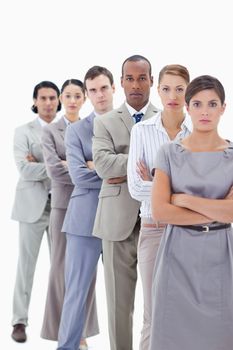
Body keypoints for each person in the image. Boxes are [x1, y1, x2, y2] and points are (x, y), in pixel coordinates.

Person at [149, 75, 233, 350]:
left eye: (212, 104)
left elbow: (231, 212)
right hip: (178, 255)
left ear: (223, 108)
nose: (205, 111)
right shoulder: (169, 153)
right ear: (187, 108)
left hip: (221, 256)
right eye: (197, 104)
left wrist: (183, 199)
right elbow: (161, 211)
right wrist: (215, 211)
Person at [92, 55, 158, 350]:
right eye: (129, 78)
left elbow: (174, 165)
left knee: (159, 302)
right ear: (121, 83)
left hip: (158, 221)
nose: (135, 84)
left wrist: (124, 168)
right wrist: (144, 164)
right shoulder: (105, 121)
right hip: (116, 222)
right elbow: (103, 165)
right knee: (119, 305)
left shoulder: (168, 118)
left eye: (142, 78)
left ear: (151, 81)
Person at [127, 64, 192, 350]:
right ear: (158, 89)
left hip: (189, 233)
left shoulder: (197, 133)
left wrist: (154, 178)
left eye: (179, 89)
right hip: (153, 230)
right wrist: (177, 190)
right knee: (153, 314)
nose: (173, 95)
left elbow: (203, 189)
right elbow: (135, 188)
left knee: (185, 313)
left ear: (188, 92)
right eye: (166, 88)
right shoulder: (142, 131)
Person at [57, 65, 115, 350]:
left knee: (122, 295)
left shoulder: (133, 126)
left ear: (113, 88)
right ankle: (66, 346)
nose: (99, 94)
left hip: (122, 220)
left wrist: (97, 165)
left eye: (104, 88)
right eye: (92, 90)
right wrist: (116, 170)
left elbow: (140, 173)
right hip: (84, 222)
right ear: (87, 94)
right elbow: (78, 176)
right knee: (76, 291)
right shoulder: (77, 130)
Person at [40, 79, 94, 349]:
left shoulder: (91, 127)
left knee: (87, 275)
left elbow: (104, 165)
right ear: (62, 98)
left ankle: (80, 331)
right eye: (68, 96)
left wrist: (74, 164)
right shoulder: (51, 130)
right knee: (62, 271)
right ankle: (65, 333)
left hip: (93, 205)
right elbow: (53, 170)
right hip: (63, 208)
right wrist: (83, 167)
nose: (72, 101)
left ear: (84, 98)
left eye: (77, 95)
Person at [11, 81, 61, 343]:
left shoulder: (68, 129)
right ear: (35, 101)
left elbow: (74, 167)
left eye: (53, 98)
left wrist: (42, 163)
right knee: (26, 266)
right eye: (43, 98)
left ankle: (63, 320)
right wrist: (57, 164)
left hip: (61, 207)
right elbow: (24, 169)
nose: (49, 103)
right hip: (31, 207)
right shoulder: (23, 132)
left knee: (61, 267)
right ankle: (19, 321)